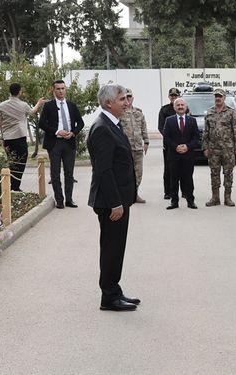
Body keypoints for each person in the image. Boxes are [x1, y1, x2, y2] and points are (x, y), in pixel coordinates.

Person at [87, 84, 139, 312]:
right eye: (121, 99)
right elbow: (103, 170)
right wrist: (116, 203)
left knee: (117, 248)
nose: (126, 103)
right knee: (111, 248)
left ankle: (114, 290)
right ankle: (108, 297)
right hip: (111, 202)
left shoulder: (112, 124)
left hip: (119, 199)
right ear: (109, 103)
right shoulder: (102, 128)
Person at [38, 80, 85, 209]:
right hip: (54, 143)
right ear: (53, 90)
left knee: (69, 173)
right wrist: (57, 131)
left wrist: (73, 133)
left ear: (66, 89)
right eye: (58, 89)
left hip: (69, 143)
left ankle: (69, 200)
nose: (61, 91)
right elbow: (42, 123)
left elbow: (81, 123)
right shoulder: (48, 106)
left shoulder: (71, 105)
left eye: (63, 88)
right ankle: (59, 200)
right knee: (55, 173)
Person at [0, 83, 45, 191]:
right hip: (19, 137)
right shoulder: (23, 105)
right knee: (21, 162)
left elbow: (0, 122)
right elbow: (32, 112)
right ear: (19, 92)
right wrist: (39, 103)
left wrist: (3, 136)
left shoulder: (2, 105)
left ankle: (11, 186)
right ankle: (15, 186)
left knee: (12, 162)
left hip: (8, 138)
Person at [202, 88, 236, 207]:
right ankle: (215, 198)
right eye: (216, 96)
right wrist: (205, 147)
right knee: (214, 173)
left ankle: (227, 198)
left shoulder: (231, 112)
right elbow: (206, 131)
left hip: (227, 149)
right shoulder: (209, 112)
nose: (218, 98)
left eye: (220, 96)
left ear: (224, 98)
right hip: (213, 149)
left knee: (228, 173)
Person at [163, 97, 200, 210]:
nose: (180, 107)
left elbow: (196, 138)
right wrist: (176, 147)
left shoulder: (192, 121)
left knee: (188, 179)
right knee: (174, 180)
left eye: (182, 105)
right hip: (174, 155)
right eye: (178, 105)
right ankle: (174, 202)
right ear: (174, 108)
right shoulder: (169, 120)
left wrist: (187, 146)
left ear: (185, 107)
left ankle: (190, 201)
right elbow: (166, 137)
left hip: (188, 156)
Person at [121, 89, 149, 203]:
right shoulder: (120, 113)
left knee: (138, 173)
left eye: (130, 96)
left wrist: (146, 141)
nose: (128, 99)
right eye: (125, 97)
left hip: (138, 148)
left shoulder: (138, 112)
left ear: (133, 98)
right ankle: (125, 195)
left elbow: (143, 127)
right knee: (126, 173)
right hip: (125, 148)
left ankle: (134, 194)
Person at [158, 88, 180, 200]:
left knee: (183, 169)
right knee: (168, 169)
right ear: (169, 97)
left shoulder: (184, 108)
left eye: (175, 95)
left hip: (182, 145)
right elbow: (161, 127)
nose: (173, 97)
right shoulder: (164, 110)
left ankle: (185, 191)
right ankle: (168, 192)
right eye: (172, 95)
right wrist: (169, 139)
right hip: (169, 145)